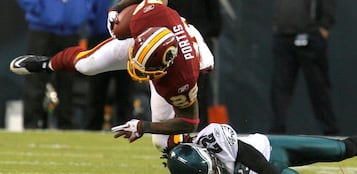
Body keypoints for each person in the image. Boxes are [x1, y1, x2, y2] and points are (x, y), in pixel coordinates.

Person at [10, 0, 214, 152]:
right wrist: (116, 8)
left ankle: (197, 157)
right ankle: (46, 63)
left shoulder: (181, 78)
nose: (139, 73)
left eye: (147, 71)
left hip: (188, 53)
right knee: (86, 65)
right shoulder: (146, 16)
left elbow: (188, 120)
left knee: (161, 142)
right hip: (154, 38)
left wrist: (143, 126)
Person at [164, 123, 357, 174]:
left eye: (214, 170)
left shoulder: (214, 139)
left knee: (342, 149)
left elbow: (262, 164)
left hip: (271, 150)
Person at [16, 0, 97, 129]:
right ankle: (31, 124)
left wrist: (83, 11)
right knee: (35, 79)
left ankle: (66, 125)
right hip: (42, 29)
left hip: (71, 30)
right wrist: (40, 11)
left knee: (68, 82)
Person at [269, 0, 340, 135]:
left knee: (318, 87)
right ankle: (276, 131)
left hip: (310, 34)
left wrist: (325, 25)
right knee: (279, 87)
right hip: (283, 35)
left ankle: (330, 132)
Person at [167, 0, 222, 130]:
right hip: (175, 45)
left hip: (198, 45)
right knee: (173, 88)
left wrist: (193, 36)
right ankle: (172, 127)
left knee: (200, 90)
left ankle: (200, 129)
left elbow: (217, 25)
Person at [84, 0, 134, 131]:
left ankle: (126, 128)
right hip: (99, 36)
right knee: (96, 89)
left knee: (125, 90)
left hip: (127, 39)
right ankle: (92, 129)